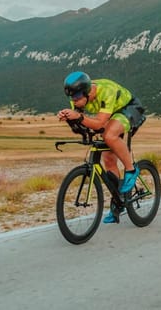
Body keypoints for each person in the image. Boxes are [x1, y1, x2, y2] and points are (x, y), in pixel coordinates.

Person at [57, 71, 146, 223]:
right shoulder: (77, 98)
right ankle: (118, 203)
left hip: (128, 108)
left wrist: (78, 116)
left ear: (86, 92)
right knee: (108, 159)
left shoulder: (106, 90)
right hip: (108, 115)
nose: (74, 101)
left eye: (77, 97)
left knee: (109, 135)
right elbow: (82, 126)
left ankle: (131, 170)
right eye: (71, 98)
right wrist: (69, 119)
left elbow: (98, 123)